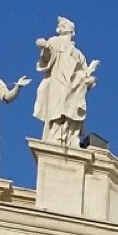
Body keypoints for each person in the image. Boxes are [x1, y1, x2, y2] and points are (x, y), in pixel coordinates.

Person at [34, 17, 99, 146]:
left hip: (72, 86)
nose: (61, 26)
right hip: (57, 81)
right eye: (60, 25)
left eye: (64, 24)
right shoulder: (54, 41)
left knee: (71, 111)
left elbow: (84, 75)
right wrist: (45, 47)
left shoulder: (78, 53)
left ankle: (69, 137)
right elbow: (47, 58)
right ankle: (55, 137)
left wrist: (89, 78)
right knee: (55, 110)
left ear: (71, 31)